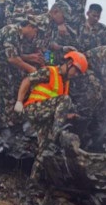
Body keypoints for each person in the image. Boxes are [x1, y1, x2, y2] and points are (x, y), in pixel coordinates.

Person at [13, 50, 88, 180]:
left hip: (46, 116)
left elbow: (57, 105)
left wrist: (67, 115)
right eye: (75, 71)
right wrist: (19, 101)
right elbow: (28, 80)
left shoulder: (66, 83)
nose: (75, 75)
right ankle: (57, 133)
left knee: (45, 150)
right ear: (70, 63)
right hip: (34, 109)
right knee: (66, 100)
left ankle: (33, 184)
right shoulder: (50, 71)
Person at [0, 14, 49, 134]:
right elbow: (12, 58)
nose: (36, 35)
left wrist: (32, 58)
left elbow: (15, 54)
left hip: (0, 70)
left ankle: (8, 127)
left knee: (8, 98)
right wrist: (32, 70)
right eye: (36, 31)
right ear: (30, 26)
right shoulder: (12, 31)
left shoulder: (21, 37)